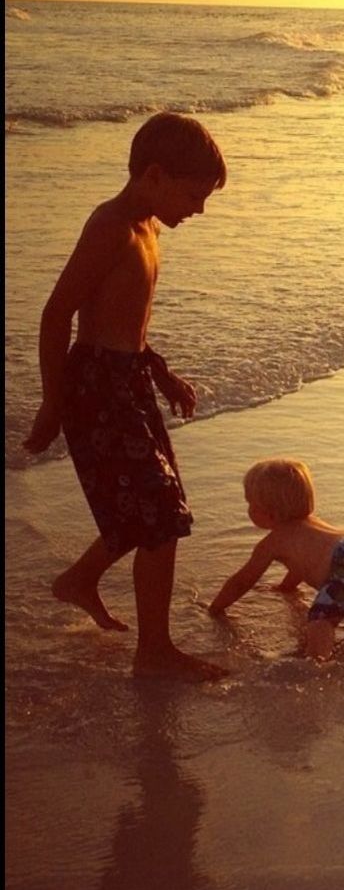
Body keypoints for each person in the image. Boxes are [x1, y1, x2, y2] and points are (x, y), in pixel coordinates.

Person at [23, 112, 228, 680]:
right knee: (160, 517)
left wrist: (162, 375)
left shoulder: (149, 227)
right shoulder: (110, 227)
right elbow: (56, 314)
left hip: (130, 380)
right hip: (96, 389)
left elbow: (126, 323)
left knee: (151, 507)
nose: (199, 209)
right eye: (193, 195)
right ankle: (154, 653)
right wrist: (51, 404)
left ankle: (80, 581)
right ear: (155, 176)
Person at [208, 458, 344, 659]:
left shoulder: (273, 542)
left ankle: (317, 662)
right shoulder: (312, 524)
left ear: (267, 513)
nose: (248, 509)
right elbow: (302, 563)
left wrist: (216, 607)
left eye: (250, 504)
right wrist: (286, 587)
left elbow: (242, 581)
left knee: (320, 617)